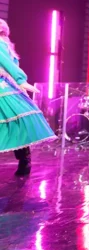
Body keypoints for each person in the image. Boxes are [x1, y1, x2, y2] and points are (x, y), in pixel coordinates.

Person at [0, 18, 56, 175]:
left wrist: (20, 80)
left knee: (15, 121)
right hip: (8, 85)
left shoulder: (1, 45)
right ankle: (24, 159)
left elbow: (8, 65)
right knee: (15, 121)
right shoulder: (7, 46)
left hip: (4, 85)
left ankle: (24, 159)